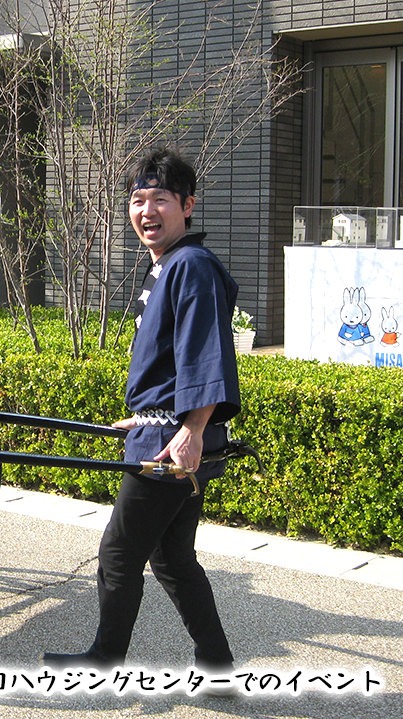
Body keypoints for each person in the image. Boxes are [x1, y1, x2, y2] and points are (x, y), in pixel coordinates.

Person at [42, 146, 241, 673]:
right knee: (173, 558)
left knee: (119, 554)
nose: (146, 211)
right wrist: (149, 412)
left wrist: (191, 429)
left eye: (160, 200)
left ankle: (104, 662)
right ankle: (217, 668)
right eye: (137, 200)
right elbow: (173, 363)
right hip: (166, 432)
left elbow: (206, 353)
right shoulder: (170, 266)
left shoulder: (191, 266)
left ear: (188, 205)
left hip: (172, 447)